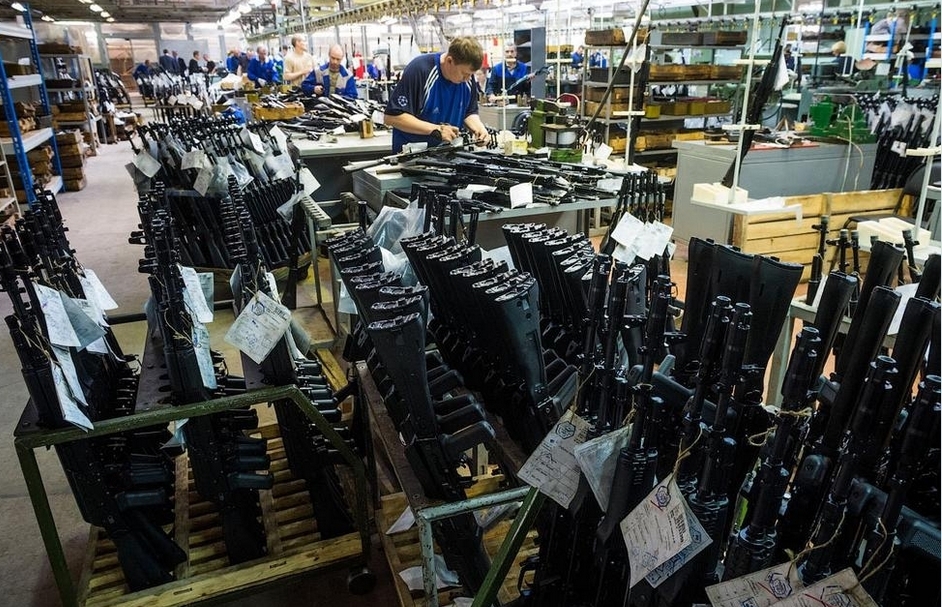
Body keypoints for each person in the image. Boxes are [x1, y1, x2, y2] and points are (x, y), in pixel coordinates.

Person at [384, 36, 490, 153]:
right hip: (414, 155)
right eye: (464, 74)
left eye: (471, 74)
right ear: (449, 61)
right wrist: (437, 130)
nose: (468, 79)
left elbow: (469, 112)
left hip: (449, 155)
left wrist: (479, 129)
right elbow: (392, 117)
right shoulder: (420, 70)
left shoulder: (467, 80)